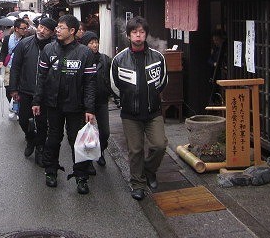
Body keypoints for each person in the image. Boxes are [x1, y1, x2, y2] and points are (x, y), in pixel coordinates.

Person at [32, 14, 96, 195]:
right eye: (57, 27)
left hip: (75, 106)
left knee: (77, 141)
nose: (57, 30)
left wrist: (89, 108)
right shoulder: (49, 49)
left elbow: (90, 83)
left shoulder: (85, 53)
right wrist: (37, 100)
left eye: (62, 27)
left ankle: (81, 177)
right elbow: (41, 77)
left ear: (73, 31)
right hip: (52, 104)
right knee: (53, 138)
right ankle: (50, 171)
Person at [111, 16, 168, 201]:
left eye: (142, 32)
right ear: (128, 35)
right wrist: (124, 99)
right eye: (134, 32)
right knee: (135, 150)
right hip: (130, 113)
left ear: (146, 34)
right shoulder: (119, 59)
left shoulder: (157, 57)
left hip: (153, 111)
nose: (138, 35)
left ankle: (149, 170)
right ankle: (138, 184)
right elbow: (114, 84)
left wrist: (153, 96)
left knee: (159, 145)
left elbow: (163, 81)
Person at [8, 17, 57, 167]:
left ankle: (40, 149)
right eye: (41, 27)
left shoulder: (55, 47)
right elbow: (15, 67)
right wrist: (13, 88)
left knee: (42, 123)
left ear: (52, 33)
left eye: (46, 29)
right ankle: (31, 139)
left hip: (45, 93)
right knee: (23, 120)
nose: (42, 31)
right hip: (26, 90)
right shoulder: (25, 43)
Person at [80, 31, 114, 167]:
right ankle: (88, 162)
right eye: (91, 43)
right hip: (84, 102)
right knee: (86, 133)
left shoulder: (105, 59)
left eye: (96, 42)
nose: (95, 45)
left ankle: (100, 150)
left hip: (101, 100)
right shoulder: (81, 59)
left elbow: (112, 78)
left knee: (105, 132)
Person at [0, 18, 29, 102]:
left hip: (21, 67)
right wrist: (1, 61)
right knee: (8, 87)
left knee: (19, 88)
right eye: (23, 28)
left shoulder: (27, 40)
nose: (25, 30)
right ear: (16, 29)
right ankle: (11, 104)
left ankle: (18, 107)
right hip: (9, 66)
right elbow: (3, 51)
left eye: (26, 28)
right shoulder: (7, 38)